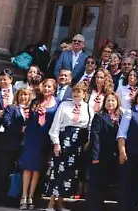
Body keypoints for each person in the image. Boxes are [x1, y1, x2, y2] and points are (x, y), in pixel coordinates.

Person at [45, 81, 93, 210]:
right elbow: (55, 125)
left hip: (77, 144)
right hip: (64, 139)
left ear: (84, 94)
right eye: (74, 91)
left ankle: (61, 202)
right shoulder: (64, 105)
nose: (76, 94)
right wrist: (56, 143)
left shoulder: (87, 107)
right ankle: (51, 202)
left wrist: (87, 142)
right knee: (58, 171)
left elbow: (90, 126)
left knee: (70, 174)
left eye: (79, 92)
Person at [19, 79, 58, 208]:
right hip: (32, 137)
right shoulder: (35, 101)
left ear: (54, 89)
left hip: (45, 139)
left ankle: (31, 197)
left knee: (36, 169)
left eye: (49, 87)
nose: (47, 89)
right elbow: (29, 118)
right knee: (27, 167)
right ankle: (23, 197)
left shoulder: (58, 103)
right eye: (45, 86)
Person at [88, 92, 123, 211]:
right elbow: (95, 137)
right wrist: (95, 156)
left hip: (116, 155)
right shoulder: (99, 116)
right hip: (101, 155)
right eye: (108, 100)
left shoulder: (121, 116)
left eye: (113, 100)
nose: (110, 103)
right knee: (98, 184)